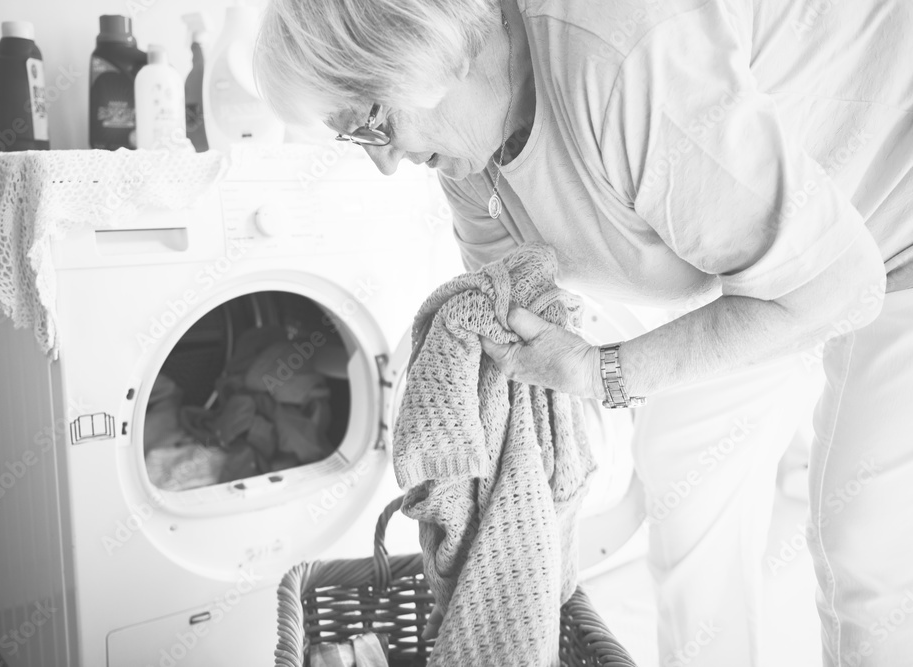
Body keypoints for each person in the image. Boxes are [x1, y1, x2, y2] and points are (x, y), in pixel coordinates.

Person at [255, 1, 913, 665]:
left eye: (374, 124)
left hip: (891, 216)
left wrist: (601, 371)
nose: (387, 164)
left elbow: (832, 288)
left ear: (425, 49)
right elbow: (504, 324)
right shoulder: (465, 156)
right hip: (768, 259)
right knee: (683, 452)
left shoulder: (621, 60)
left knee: (864, 542)